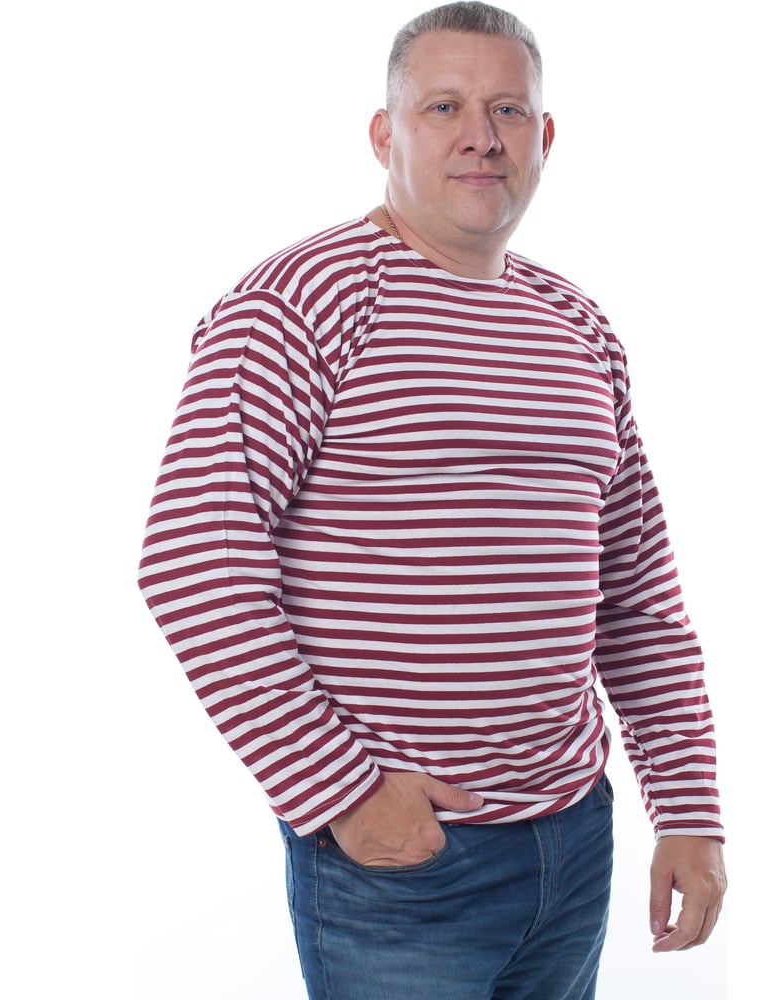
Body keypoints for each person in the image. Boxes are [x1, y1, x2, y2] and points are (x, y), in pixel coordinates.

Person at [138, 3, 726, 997]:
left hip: (574, 837)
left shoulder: (578, 326)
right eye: (443, 106)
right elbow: (196, 563)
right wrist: (343, 794)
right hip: (402, 860)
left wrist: (689, 808)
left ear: (545, 136)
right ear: (385, 134)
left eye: (508, 109)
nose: (480, 137)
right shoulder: (300, 304)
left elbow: (636, 598)